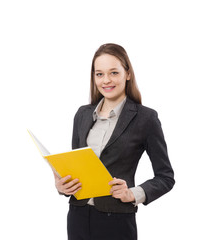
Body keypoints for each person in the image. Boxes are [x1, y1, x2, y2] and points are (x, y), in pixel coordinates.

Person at [54, 43, 175, 240]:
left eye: (114, 72)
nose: (106, 80)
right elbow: (76, 166)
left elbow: (166, 177)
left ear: (127, 74)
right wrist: (63, 186)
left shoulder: (146, 118)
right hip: (78, 217)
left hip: (117, 221)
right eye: (99, 74)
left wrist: (133, 194)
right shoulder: (82, 114)